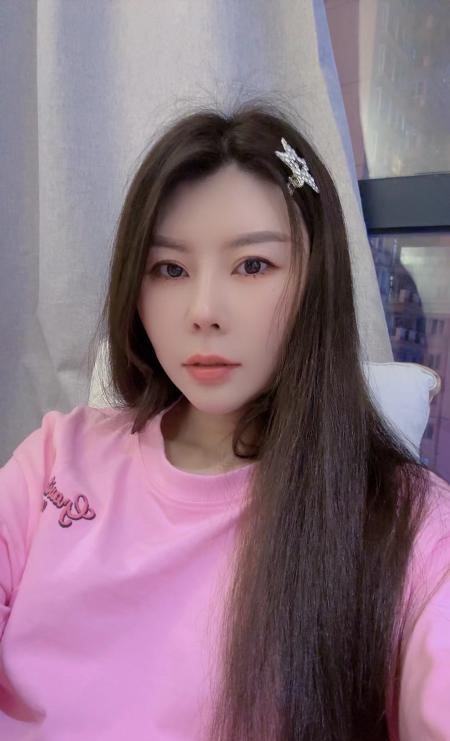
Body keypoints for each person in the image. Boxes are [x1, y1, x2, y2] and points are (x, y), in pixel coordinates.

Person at [0, 103, 449, 741]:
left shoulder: (408, 527)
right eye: (170, 269)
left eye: (253, 265)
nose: (204, 310)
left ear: (315, 282)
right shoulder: (56, 457)